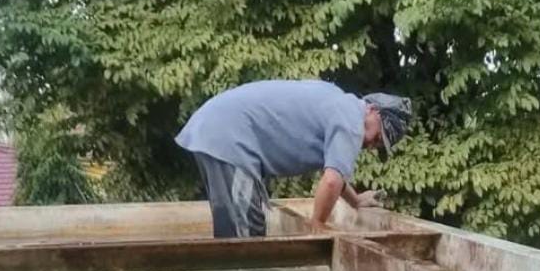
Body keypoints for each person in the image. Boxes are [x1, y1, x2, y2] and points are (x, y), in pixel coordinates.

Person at [175, 80, 412, 237]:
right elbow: (331, 181)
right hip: (229, 136)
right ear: (372, 110)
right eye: (377, 136)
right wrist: (317, 225)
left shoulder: (340, 104)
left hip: (217, 129)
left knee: (235, 232)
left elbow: (332, 175)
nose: (371, 144)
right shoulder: (351, 120)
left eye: (378, 145)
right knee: (244, 239)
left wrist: (355, 201)